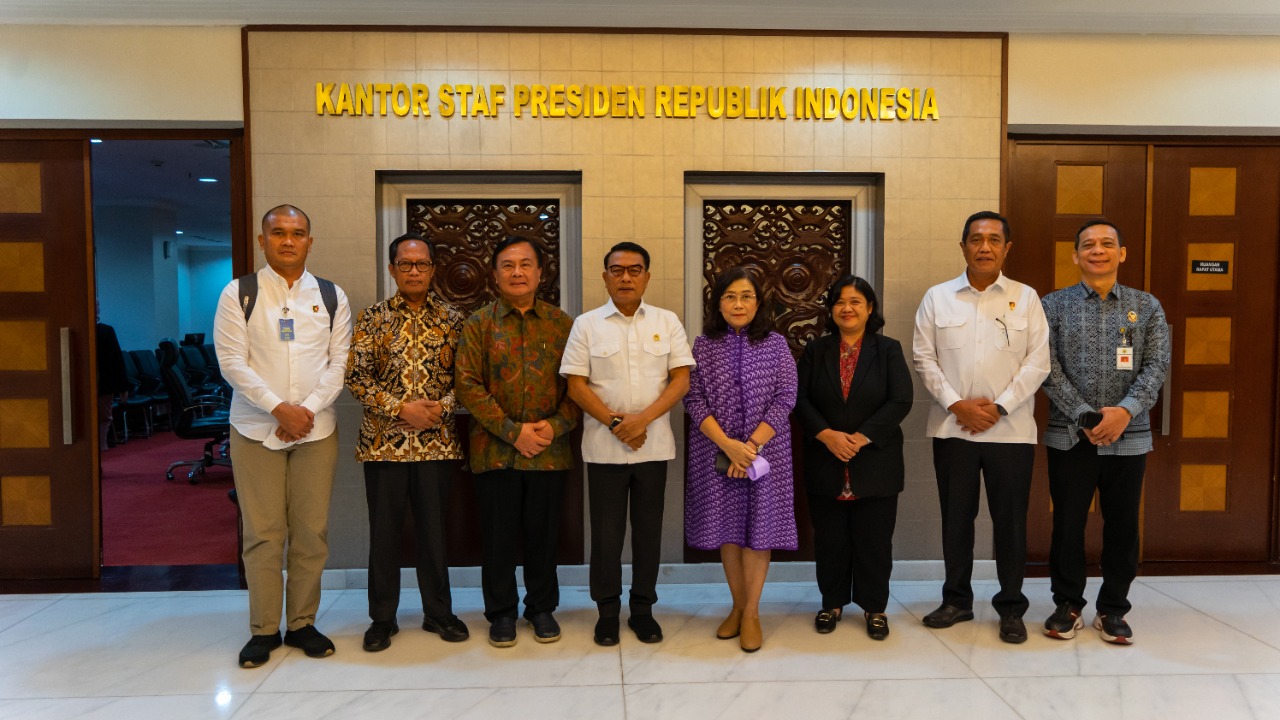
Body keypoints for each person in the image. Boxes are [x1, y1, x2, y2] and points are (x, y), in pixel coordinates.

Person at [213, 204, 352, 668]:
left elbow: (340, 364)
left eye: (297, 233)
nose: (288, 240)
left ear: (311, 241)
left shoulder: (331, 295)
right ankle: (263, 629)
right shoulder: (240, 293)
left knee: (312, 531)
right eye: (278, 232)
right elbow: (232, 362)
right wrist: (277, 408)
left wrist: (305, 412)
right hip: (255, 428)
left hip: (316, 430)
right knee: (263, 533)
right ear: (262, 240)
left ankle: (302, 624)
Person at [912, 210, 1050, 644]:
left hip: (1011, 433)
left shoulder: (1026, 298)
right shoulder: (937, 298)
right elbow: (924, 358)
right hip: (953, 430)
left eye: (994, 240)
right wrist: (958, 405)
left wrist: (1001, 407)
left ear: (1007, 248)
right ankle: (956, 600)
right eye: (976, 239)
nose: (984, 247)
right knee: (957, 519)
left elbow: (1038, 362)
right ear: (963, 246)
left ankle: (1010, 607)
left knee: (1010, 521)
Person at [1040, 219, 1170, 645]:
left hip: (1128, 437)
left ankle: (1113, 609)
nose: (1098, 250)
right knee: (1068, 525)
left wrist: (1124, 413)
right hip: (1070, 435)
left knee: (1122, 526)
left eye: (1107, 244)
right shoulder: (1052, 306)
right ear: (1076, 255)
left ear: (1122, 253)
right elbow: (1046, 368)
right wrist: (1086, 416)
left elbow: (1156, 367)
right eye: (1089, 245)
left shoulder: (1146, 306)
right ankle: (1068, 604)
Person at [560, 241, 695, 647]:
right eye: (617, 270)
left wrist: (641, 421)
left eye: (634, 270)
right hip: (604, 448)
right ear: (605, 277)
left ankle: (642, 610)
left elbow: (681, 380)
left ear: (647, 277)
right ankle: (606, 612)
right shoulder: (586, 323)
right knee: (605, 534)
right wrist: (618, 423)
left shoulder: (667, 321)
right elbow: (575, 385)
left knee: (648, 532)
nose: (625, 277)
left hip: (653, 447)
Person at [344, 231, 470, 652]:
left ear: (433, 269)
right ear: (392, 269)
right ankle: (382, 619)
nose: (413, 270)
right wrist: (401, 409)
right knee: (384, 535)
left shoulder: (454, 319)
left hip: (437, 444)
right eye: (405, 264)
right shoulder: (372, 318)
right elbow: (356, 378)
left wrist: (439, 409)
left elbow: (466, 381)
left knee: (435, 533)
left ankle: (438, 612)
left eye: (421, 264)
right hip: (383, 445)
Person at [455, 236, 580, 648]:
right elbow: (468, 386)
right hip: (494, 453)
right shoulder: (478, 324)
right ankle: (502, 613)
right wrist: (513, 432)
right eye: (508, 265)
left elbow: (579, 389)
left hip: (549, 452)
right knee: (498, 537)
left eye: (526, 264)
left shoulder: (564, 325)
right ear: (494, 274)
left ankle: (541, 609)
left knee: (544, 536)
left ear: (541, 273)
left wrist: (553, 428)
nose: (517, 272)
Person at [685, 267, 798, 653]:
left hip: (766, 452)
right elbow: (693, 398)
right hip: (713, 451)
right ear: (718, 303)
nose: (738, 303)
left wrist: (748, 447)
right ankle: (736, 605)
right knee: (727, 530)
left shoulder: (776, 344)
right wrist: (728, 446)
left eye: (746, 296)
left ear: (759, 302)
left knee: (758, 530)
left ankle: (751, 612)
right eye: (730, 296)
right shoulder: (702, 346)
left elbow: (786, 397)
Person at [795, 276, 912, 641]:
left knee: (874, 541)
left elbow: (901, 400)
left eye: (857, 301)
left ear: (870, 308)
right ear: (831, 309)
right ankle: (831, 603)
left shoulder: (888, 349)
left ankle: (874, 608)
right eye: (840, 301)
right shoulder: (816, 350)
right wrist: (827, 436)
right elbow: (800, 400)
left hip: (875, 459)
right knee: (830, 540)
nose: (848, 308)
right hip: (825, 458)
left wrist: (860, 438)